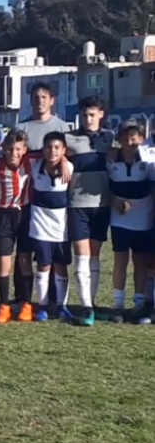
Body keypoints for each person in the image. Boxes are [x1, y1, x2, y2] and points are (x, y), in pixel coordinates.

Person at [65, 96, 114, 323]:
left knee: (95, 257)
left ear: (101, 114)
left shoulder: (110, 138)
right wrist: (64, 162)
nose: (88, 118)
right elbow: (54, 156)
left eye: (92, 114)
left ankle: (92, 303)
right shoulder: (70, 139)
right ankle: (86, 307)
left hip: (102, 204)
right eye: (84, 114)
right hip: (77, 205)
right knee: (82, 257)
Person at [106, 120, 155, 325]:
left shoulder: (149, 160)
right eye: (125, 137)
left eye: (134, 138)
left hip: (144, 217)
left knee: (142, 260)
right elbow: (104, 186)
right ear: (119, 140)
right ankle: (118, 304)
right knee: (120, 260)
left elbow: (153, 188)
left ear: (142, 140)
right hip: (119, 218)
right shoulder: (110, 161)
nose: (129, 141)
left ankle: (139, 303)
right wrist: (114, 200)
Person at [28, 132, 74, 321]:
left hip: (61, 226)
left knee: (61, 265)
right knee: (43, 265)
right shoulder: (35, 166)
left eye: (57, 148)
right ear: (43, 150)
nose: (52, 151)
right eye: (48, 147)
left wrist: (63, 160)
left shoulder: (69, 167)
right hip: (40, 225)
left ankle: (62, 305)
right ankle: (43, 306)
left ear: (64, 150)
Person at [0, 130, 34, 324]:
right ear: (4, 149)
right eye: (9, 149)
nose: (13, 153)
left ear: (24, 150)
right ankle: (4, 305)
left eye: (18, 149)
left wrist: (65, 162)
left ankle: (26, 303)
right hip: (4, 216)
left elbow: (54, 155)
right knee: (4, 260)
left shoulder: (30, 162)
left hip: (24, 214)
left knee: (24, 259)